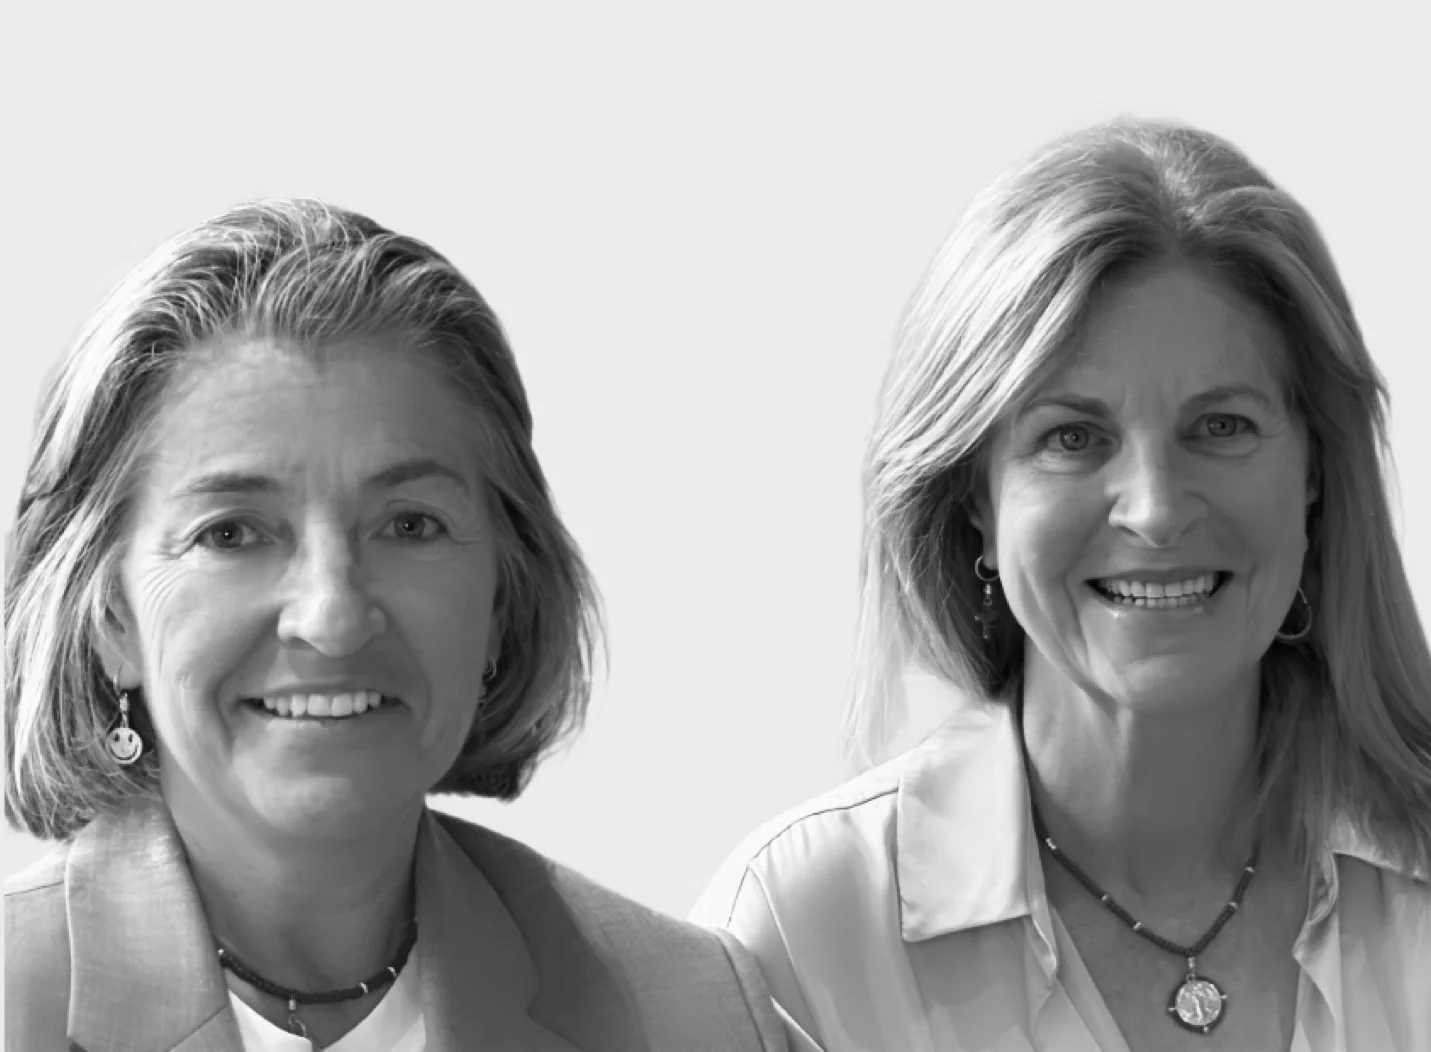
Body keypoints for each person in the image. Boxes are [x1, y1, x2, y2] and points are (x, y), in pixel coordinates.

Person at [693, 118, 1431, 1051]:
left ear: (1315, 472)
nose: (1155, 511)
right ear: (973, 499)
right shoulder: (797, 934)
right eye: (1071, 438)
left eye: (1221, 427)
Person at [4, 199, 789, 1052]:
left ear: (503, 597)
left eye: (409, 525)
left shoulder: (695, 1011)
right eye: (231, 534)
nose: (332, 617)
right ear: (110, 616)